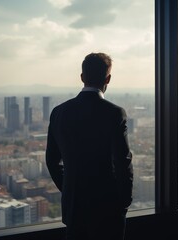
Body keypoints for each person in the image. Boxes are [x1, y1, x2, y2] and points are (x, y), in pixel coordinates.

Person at [45, 52, 133, 240]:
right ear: (108, 79)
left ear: (82, 77)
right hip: (107, 208)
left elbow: (52, 161)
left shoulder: (59, 112)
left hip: (74, 207)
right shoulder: (115, 113)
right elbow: (123, 162)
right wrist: (122, 203)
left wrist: (71, 189)